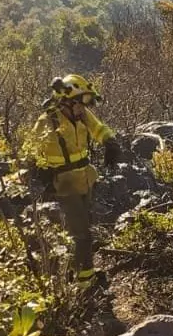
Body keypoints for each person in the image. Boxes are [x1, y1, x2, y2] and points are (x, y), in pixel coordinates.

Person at [26, 74, 121, 290]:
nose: (84, 109)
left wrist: (110, 142)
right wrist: (39, 174)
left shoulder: (80, 114)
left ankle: (74, 272)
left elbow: (99, 129)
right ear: (66, 102)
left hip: (85, 181)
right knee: (82, 235)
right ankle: (85, 283)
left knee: (82, 228)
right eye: (81, 103)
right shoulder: (47, 122)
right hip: (64, 186)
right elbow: (30, 152)